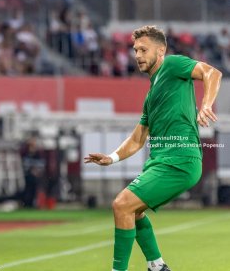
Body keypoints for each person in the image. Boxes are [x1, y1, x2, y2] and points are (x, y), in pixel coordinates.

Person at [84, 25, 222, 271]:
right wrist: (112, 158)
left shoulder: (171, 65)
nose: (137, 55)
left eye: (143, 49)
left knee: (121, 204)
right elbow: (138, 138)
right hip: (161, 161)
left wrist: (206, 104)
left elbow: (212, 73)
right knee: (134, 212)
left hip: (179, 160)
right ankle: (157, 265)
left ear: (161, 51)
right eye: (135, 49)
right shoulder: (151, 94)